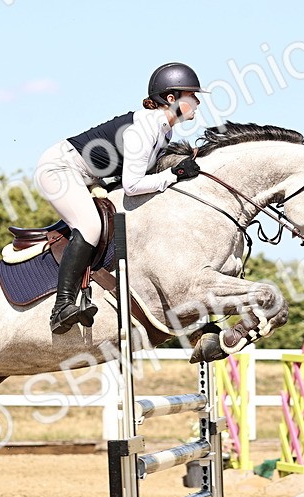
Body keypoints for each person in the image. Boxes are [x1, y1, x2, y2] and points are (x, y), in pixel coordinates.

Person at [34, 62, 208, 334]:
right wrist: (173, 175)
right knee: (90, 226)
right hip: (60, 169)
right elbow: (133, 185)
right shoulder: (146, 128)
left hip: (91, 176)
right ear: (172, 99)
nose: (197, 101)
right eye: (192, 96)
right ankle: (62, 307)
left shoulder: (164, 130)